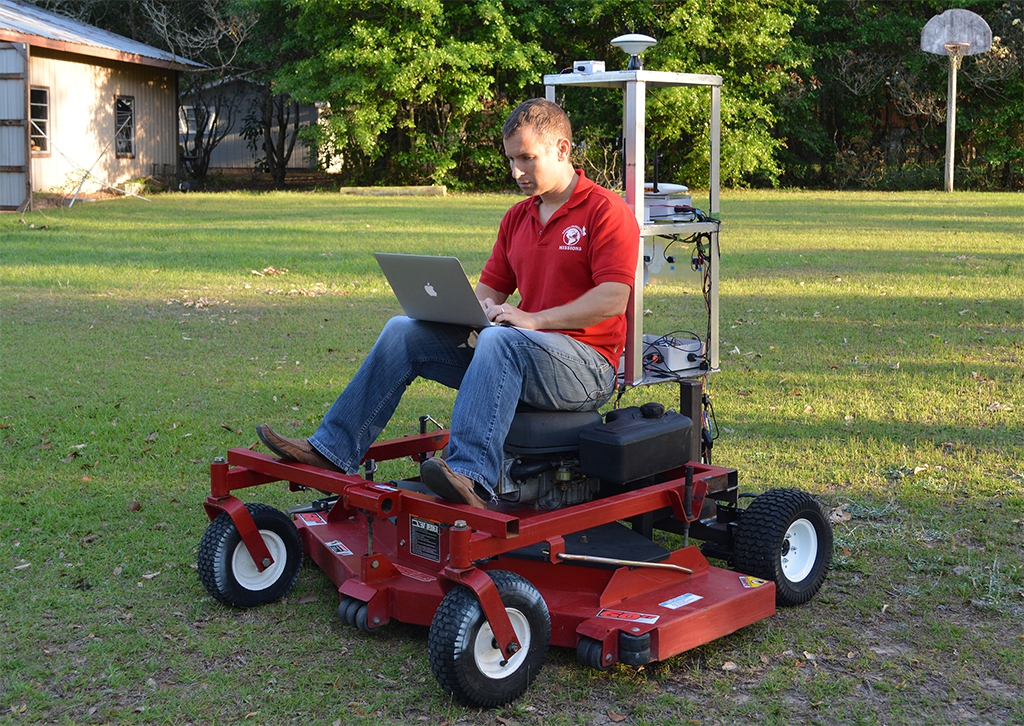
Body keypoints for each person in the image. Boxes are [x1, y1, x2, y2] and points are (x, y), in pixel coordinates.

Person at [257, 98, 640, 508]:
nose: (517, 172)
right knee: (403, 330)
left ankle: (471, 475)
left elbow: (613, 299)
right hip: (520, 354)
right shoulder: (517, 218)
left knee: (502, 340)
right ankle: (332, 451)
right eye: (511, 160)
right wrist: (465, 315)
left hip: (587, 368)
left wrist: (533, 320)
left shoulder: (606, 211)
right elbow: (490, 291)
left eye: (527, 159)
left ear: (562, 149)